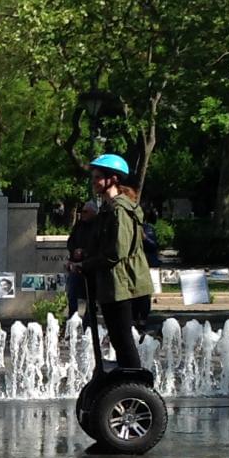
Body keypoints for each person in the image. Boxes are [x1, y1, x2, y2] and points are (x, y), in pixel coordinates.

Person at [67, 153, 154, 369]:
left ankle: (135, 383)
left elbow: (117, 251)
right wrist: (81, 258)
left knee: (123, 338)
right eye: (94, 177)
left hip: (121, 283)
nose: (94, 182)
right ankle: (127, 381)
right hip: (109, 284)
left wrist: (85, 265)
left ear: (113, 179)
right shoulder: (107, 210)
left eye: (98, 177)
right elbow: (100, 246)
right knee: (116, 337)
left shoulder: (120, 210)